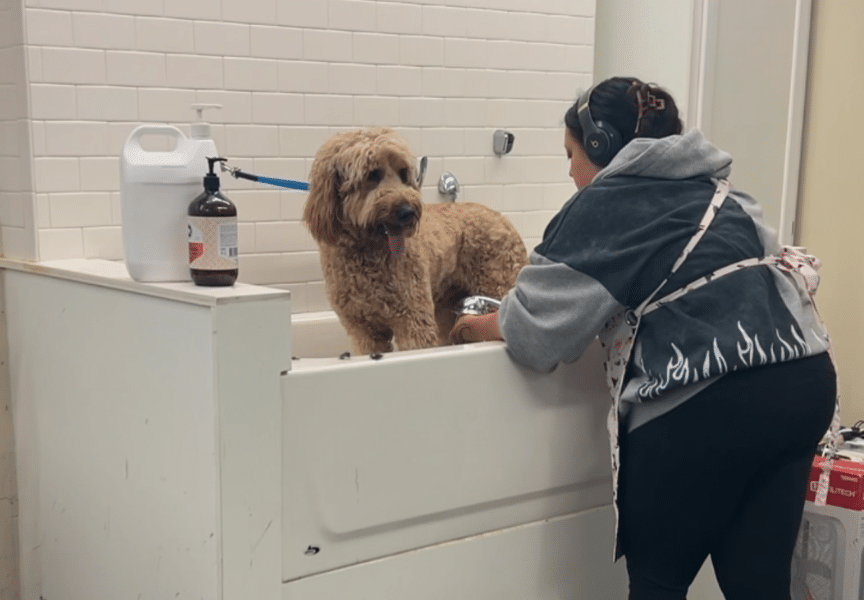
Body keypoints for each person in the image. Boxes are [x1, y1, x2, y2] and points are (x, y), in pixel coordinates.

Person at [450, 76, 837, 600]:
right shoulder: (725, 195)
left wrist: (477, 326)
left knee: (658, 586)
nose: (569, 171)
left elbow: (537, 334)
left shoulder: (604, 206)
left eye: (570, 154)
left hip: (704, 402)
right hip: (802, 383)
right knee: (758, 584)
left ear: (599, 146)